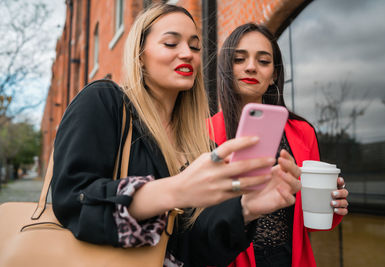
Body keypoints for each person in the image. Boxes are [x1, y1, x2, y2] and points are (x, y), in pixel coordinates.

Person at [51, 4, 302, 267]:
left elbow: (192, 251)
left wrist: (247, 209)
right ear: (139, 54)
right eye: (171, 43)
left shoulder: (202, 145)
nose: (187, 54)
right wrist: (175, 190)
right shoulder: (105, 102)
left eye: (194, 47)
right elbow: (72, 200)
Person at [209, 23, 349, 267]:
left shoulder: (302, 132)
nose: (251, 67)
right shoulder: (205, 131)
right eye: (240, 59)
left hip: (291, 259)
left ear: (274, 74)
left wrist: (332, 204)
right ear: (227, 68)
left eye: (263, 61)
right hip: (230, 260)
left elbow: (311, 219)